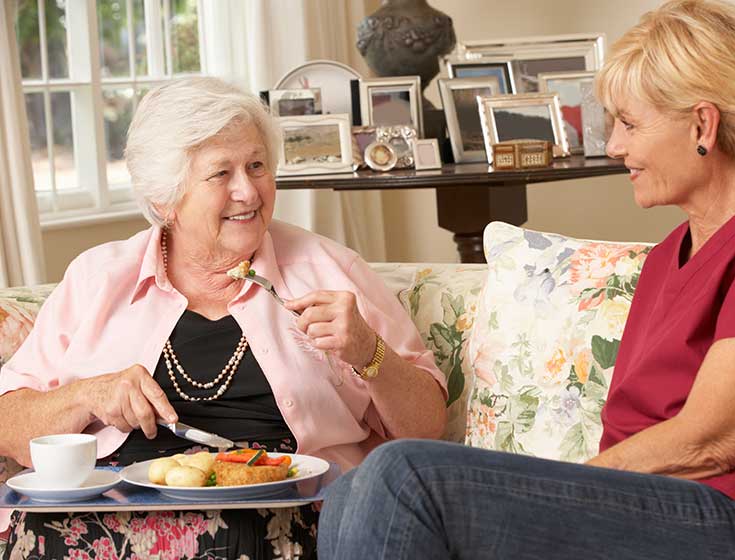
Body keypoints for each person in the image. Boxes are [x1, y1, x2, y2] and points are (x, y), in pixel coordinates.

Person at [317, 1, 735, 558]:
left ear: (702, 125)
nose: (615, 146)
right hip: (645, 502)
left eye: (630, 124)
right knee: (349, 492)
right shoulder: (670, 256)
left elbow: (716, 438)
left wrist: (571, 487)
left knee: (404, 474)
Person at [0, 77, 447, 559]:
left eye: (257, 166)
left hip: (274, 515)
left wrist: (368, 351)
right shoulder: (97, 279)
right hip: (102, 518)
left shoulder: (330, 271)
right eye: (221, 174)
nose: (248, 191)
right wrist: (87, 395)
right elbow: (9, 424)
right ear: (165, 200)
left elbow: (425, 431)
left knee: (235, 536)